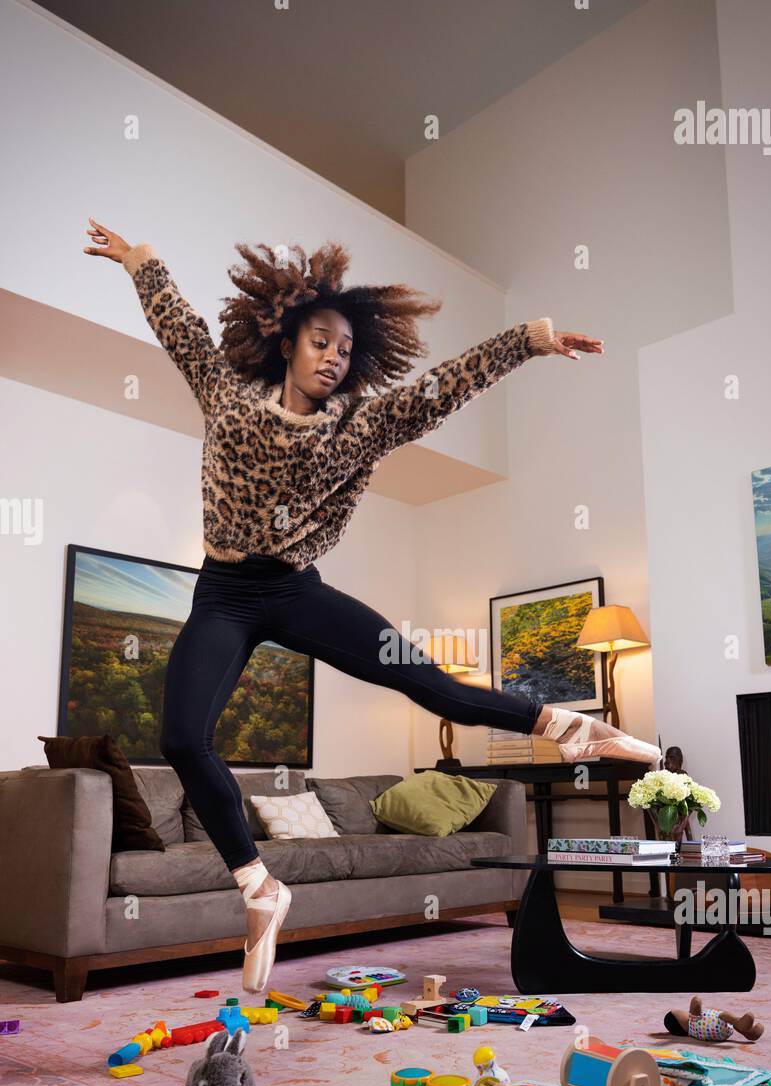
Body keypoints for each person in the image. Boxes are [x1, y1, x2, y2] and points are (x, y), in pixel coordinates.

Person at [84, 217, 661, 992]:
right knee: (183, 738)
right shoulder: (225, 394)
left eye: (346, 349)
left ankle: (573, 729)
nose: (333, 356)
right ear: (287, 341)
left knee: (429, 686)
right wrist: (139, 259)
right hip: (223, 593)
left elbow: (442, 386)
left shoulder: (362, 424)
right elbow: (178, 323)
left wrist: (526, 338)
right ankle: (261, 890)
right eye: (320, 340)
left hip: (295, 590)